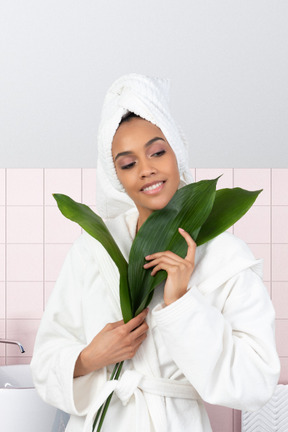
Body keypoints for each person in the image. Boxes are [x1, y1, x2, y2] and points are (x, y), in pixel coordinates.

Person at [31, 74, 280, 432]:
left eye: (158, 152)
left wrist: (181, 304)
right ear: (115, 176)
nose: (146, 169)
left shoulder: (226, 255)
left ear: (178, 149)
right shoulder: (96, 246)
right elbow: (45, 362)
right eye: (128, 163)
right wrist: (89, 358)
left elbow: (256, 382)